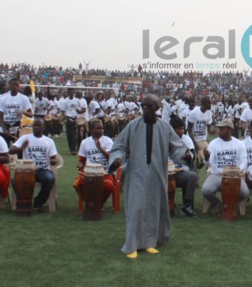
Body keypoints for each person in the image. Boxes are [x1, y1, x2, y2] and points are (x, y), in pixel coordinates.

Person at [109, 94, 187, 259]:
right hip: (137, 174)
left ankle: (150, 242)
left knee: (154, 206)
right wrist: (117, 160)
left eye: (149, 106)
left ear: (156, 109)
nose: (145, 109)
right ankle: (132, 244)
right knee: (136, 207)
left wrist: (185, 155)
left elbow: (177, 148)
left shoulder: (165, 127)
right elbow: (120, 147)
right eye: (143, 106)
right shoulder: (133, 126)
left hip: (157, 174)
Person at [9, 118, 58, 213]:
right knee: (14, 180)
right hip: (27, 169)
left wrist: (53, 161)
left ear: (44, 127)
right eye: (35, 125)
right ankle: (23, 202)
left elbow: (53, 157)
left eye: (39, 125)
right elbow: (11, 150)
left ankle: (38, 202)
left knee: (49, 178)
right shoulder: (25, 138)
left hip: (42, 169)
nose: (36, 127)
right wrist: (21, 148)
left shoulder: (49, 141)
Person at [201, 118, 248, 214]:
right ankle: (217, 203)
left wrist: (237, 170)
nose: (220, 131)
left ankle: (231, 203)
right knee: (205, 190)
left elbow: (244, 162)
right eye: (220, 128)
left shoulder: (239, 144)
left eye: (222, 129)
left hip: (234, 175)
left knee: (245, 193)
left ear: (230, 130)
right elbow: (210, 163)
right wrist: (206, 158)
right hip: (217, 174)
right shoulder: (213, 143)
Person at [73, 119, 114, 206]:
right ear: (91, 130)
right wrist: (79, 166)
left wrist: (100, 149)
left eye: (102, 128)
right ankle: (89, 202)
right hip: (89, 173)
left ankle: (98, 204)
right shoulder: (85, 142)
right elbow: (82, 160)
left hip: (105, 172)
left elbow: (111, 158)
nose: (101, 130)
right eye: (98, 128)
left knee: (108, 186)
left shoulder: (108, 141)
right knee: (78, 183)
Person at [169, 116, 199, 217]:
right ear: (172, 129)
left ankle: (187, 205)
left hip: (180, 172)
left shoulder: (186, 139)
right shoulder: (165, 140)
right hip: (166, 173)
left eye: (183, 129)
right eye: (179, 129)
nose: (182, 131)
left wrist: (188, 157)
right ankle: (167, 206)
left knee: (192, 176)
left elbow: (192, 155)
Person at [0, 79, 33, 146]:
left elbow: (31, 115)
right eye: (13, 85)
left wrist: (23, 112)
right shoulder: (3, 99)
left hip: (17, 128)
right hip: (5, 128)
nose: (15, 86)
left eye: (17, 85)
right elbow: (0, 117)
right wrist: (5, 129)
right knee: (4, 151)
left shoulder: (23, 98)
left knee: (19, 150)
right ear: (10, 86)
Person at [187, 96, 213, 169]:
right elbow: (189, 129)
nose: (211, 105)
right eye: (209, 103)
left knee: (209, 158)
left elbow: (209, 127)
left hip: (203, 139)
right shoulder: (194, 113)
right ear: (204, 104)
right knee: (197, 160)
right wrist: (194, 143)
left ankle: (205, 173)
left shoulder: (209, 113)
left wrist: (212, 130)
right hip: (195, 139)